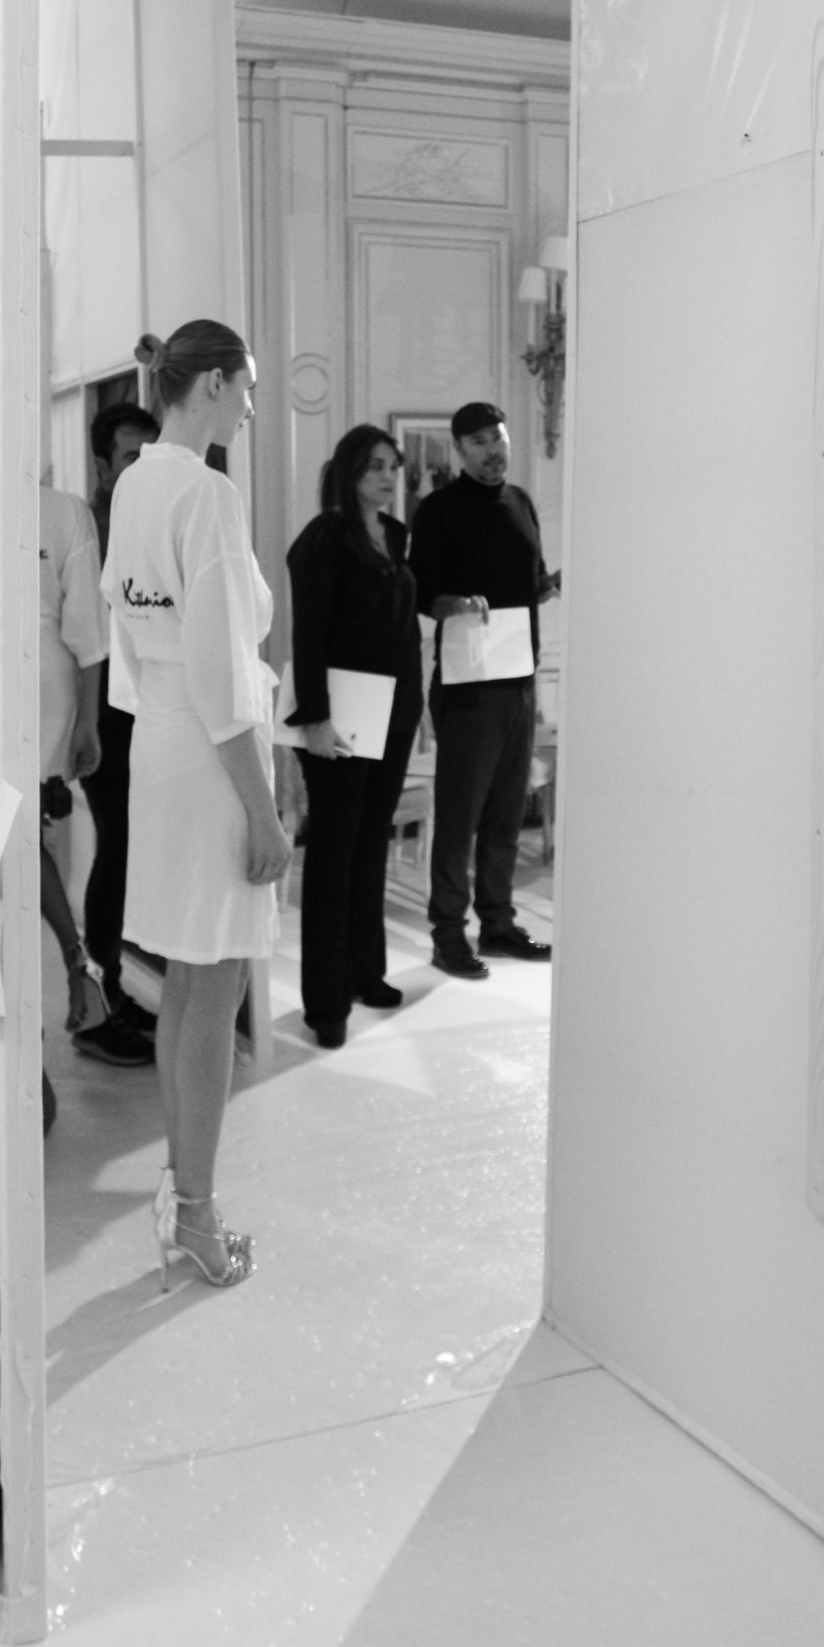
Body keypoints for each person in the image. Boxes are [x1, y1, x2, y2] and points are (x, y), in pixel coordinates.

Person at [102, 320, 290, 1288]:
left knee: (185, 981)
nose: (252, 406)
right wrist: (262, 807)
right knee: (214, 990)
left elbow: (132, 646)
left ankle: (183, 1198)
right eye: (246, 387)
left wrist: (173, 721)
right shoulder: (208, 493)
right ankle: (200, 1215)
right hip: (213, 748)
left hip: (162, 741)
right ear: (211, 383)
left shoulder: (136, 482)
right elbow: (221, 665)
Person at [407, 401, 559, 978]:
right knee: (460, 816)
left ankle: (497, 924)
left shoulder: (521, 503)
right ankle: (448, 934)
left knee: (505, 813)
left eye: (497, 438)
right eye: (478, 443)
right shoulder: (438, 510)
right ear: (459, 451)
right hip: (468, 684)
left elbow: (530, 584)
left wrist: (555, 584)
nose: (493, 451)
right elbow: (422, 593)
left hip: (519, 677)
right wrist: (456, 604)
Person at [286, 426, 424, 1049]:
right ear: (349, 473)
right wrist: (314, 718)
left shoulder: (394, 534)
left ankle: (367, 973)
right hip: (338, 717)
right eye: (375, 467)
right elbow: (309, 632)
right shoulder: (322, 539)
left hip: (393, 712)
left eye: (393, 466)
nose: (387, 477)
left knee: (372, 845)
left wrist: (413, 704)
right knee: (333, 855)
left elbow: (402, 628)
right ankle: (326, 1003)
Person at [39, 484, 152, 1068]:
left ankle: (97, 983)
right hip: (79, 709)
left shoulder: (66, 513)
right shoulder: (80, 519)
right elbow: (88, 633)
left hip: (118, 705)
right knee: (105, 843)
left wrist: (85, 723)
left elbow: (90, 632)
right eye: (128, 458)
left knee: (116, 847)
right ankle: (89, 981)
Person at [80, 401, 161, 1037]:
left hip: (159, 710)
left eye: (150, 455)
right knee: (119, 844)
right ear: (104, 468)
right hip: (107, 715)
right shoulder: (91, 532)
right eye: (131, 456)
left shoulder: (161, 519)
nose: (143, 467)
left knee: (145, 850)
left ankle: (130, 984)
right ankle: (105, 988)